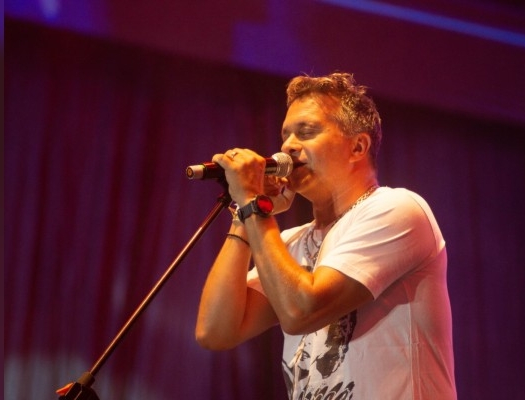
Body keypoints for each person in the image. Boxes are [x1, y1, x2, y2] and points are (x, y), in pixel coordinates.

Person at [195, 72, 456, 399]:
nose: (288, 146)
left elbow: (301, 312)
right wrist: (244, 217)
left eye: (306, 132)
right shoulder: (288, 242)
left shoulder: (396, 208)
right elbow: (216, 331)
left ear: (357, 146)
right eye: (285, 135)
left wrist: (252, 205)